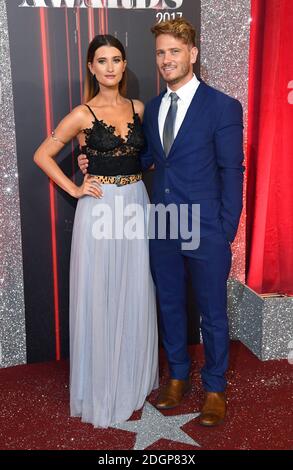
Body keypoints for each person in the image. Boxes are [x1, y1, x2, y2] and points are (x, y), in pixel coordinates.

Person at [78, 18, 244, 427]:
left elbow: (233, 171)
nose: (166, 59)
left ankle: (215, 388)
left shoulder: (222, 106)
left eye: (174, 51)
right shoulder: (151, 108)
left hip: (205, 227)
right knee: (169, 305)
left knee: (212, 312)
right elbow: (148, 159)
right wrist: (93, 162)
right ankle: (177, 378)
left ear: (192, 54)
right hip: (164, 224)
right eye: (160, 53)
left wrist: (225, 230)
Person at [34, 34, 158, 428]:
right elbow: (43, 154)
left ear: (124, 65)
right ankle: (102, 386)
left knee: (133, 286)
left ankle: (132, 379)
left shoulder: (139, 108)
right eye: (101, 60)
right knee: (101, 290)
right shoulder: (82, 114)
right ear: (91, 67)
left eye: (116, 59)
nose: (109, 66)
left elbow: (151, 157)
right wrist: (74, 186)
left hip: (136, 202)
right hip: (99, 207)